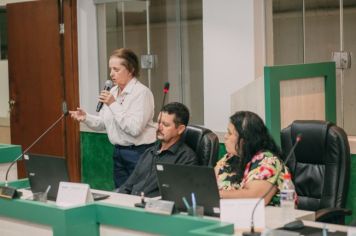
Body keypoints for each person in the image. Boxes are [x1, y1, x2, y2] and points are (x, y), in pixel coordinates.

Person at [69, 48, 156, 188]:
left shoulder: (142, 93)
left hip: (139, 153)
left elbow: (134, 129)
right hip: (118, 152)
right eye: (110, 69)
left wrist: (113, 104)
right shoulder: (113, 91)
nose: (111, 74)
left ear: (131, 70)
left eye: (116, 69)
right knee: (120, 195)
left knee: (138, 195)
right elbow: (104, 123)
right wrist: (86, 117)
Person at [119, 102, 198, 197]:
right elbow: (128, 186)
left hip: (152, 207)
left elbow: (176, 196)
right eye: (159, 122)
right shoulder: (149, 152)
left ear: (180, 129)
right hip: (131, 203)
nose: (159, 127)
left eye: (165, 124)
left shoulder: (186, 158)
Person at [215, 111, 292, 205]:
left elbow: (254, 197)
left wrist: (218, 194)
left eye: (230, 133)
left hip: (269, 217)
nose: (226, 136)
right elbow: (209, 183)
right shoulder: (230, 157)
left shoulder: (269, 161)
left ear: (245, 140)